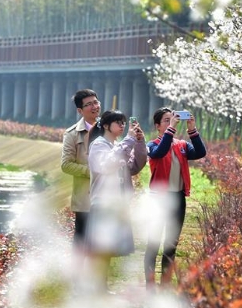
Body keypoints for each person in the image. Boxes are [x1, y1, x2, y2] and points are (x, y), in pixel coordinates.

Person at [145, 108, 206, 290]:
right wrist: (171, 130)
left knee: (171, 244)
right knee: (153, 243)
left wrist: (192, 129)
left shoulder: (182, 145)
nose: (171, 122)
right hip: (158, 200)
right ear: (158, 126)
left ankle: (164, 285)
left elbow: (200, 152)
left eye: (172, 119)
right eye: (166, 120)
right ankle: (150, 285)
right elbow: (159, 152)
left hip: (178, 199)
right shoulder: (152, 144)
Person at [86, 110, 147, 293]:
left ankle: (100, 288)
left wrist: (139, 142)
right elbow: (106, 165)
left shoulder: (119, 145)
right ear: (106, 125)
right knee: (101, 248)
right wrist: (128, 141)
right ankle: (95, 288)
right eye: (118, 123)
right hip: (103, 203)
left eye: (123, 123)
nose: (122, 126)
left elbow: (135, 166)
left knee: (109, 248)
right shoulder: (99, 145)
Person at [61, 89, 100, 247]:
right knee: (82, 240)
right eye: (89, 104)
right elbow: (66, 165)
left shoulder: (109, 129)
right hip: (85, 198)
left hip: (108, 197)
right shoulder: (72, 134)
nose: (94, 106)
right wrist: (92, 172)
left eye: (96, 102)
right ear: (80, 110)